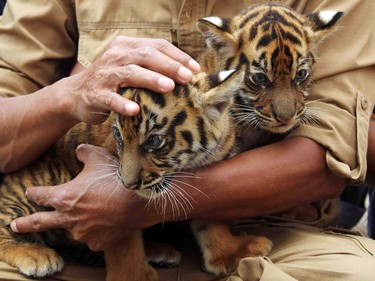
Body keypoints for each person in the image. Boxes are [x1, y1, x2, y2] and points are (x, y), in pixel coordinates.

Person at [0, 1, 374, 281]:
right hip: (69, 217)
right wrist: (68, 95)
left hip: (271, 230)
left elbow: (330, 156)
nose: (284, 111)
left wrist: (130, 208)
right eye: (258, 80)